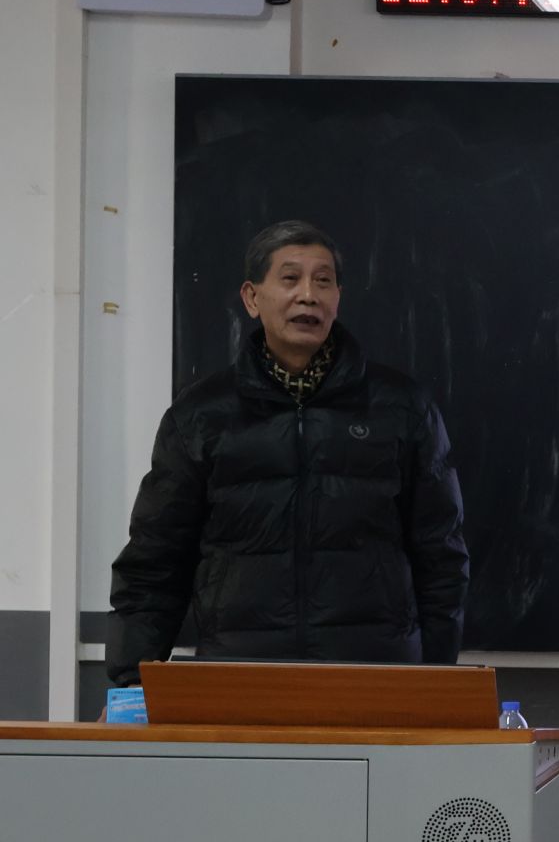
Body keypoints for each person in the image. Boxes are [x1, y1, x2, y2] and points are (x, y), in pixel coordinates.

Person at [107, 220, 469, 686]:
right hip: (239, 675)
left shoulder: (401, 408)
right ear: (252, 297)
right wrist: (128, 688)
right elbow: (154, 563)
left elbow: (442, 555)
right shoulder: (201, 415)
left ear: (338, 297)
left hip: (377, 675)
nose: (308, 295)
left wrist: (434, 680)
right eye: (290, 278)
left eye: (323, 281)